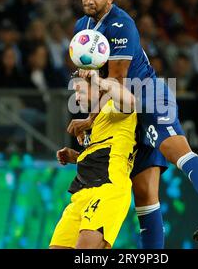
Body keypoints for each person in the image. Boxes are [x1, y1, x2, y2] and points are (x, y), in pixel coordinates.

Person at [67, 0, 198, 247]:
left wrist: (92, 113)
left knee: (175, 149)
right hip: (123, 110)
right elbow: (96, 82)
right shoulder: (82, 27)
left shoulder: (122, 25)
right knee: (144, 193)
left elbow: (117, 81)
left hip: (148, 96)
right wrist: (89, 119)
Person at [50, 70, 137, 249]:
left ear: (100, 90)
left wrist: (100, 81)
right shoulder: (95, 123)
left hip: (107, 189)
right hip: (81, 195)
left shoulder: (115, 108)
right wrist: (78, 156)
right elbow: (105, 150)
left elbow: (130, 102)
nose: (76, 98)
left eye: (81, 91)